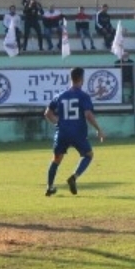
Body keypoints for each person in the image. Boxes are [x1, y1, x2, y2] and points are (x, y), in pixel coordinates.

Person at [44, 66, 106, 197]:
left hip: (62, 132)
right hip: (78, 132)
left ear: (70, 78)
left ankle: (49, 187)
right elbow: (88, 115)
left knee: (56, 159)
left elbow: (47, 113)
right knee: (88, 155)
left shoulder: (60, 96)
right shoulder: (83, 96)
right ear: (82, 79)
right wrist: (99, 129)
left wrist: (59, 122)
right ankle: (74, 177)